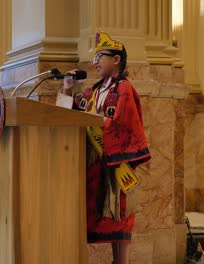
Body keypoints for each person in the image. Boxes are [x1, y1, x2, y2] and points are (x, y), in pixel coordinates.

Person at [63, 31, 151, 264]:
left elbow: (126, 121)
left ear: (116, 60)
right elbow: (69, 112)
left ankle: (121, 262)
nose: (95, 61)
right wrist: (67, 88)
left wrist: (99, 123)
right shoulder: (93, 91)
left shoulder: (123, 88)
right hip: (95, 166)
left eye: (101, 55)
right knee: (100, 216)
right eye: (95, 57)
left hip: (115, 164)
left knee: (119, 215)